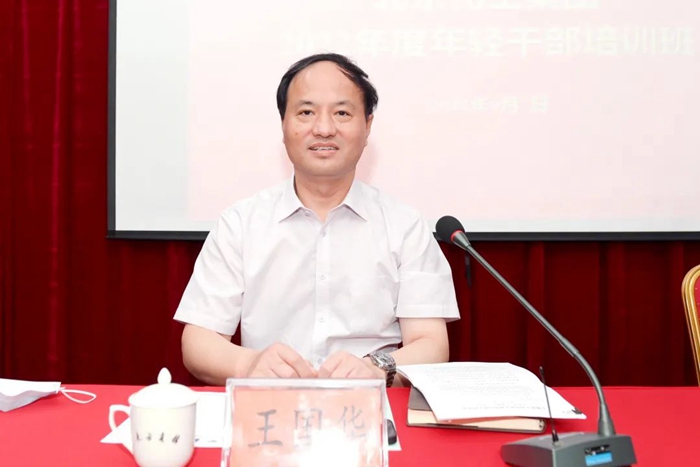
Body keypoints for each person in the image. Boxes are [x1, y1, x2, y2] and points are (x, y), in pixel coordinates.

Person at [174, 53, 460, 386]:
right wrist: (250, 363)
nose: (324, 129)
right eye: (306, 112)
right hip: (269, 406)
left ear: (367, 126)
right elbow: (198, 341)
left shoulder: (405, 225)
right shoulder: (240, 223)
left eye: (342, 113)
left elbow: (431, 344)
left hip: (371, 406)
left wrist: (377, 368)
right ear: (284, 125)